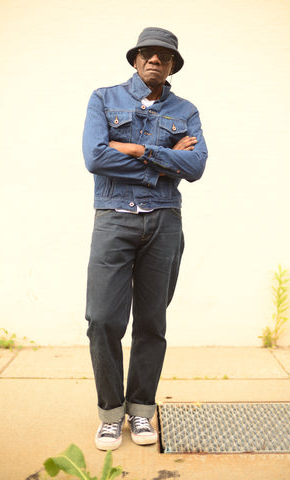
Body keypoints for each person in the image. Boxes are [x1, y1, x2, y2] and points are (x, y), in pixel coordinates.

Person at [82, 27, 208, 451]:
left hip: (164, 224)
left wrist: (136, 151)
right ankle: (109, 415)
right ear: (135, 60)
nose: (155, 60)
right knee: (102, 320)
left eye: (164, 56)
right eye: (148, 54)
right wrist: (165, 160)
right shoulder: (103, 98)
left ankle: (140, 410)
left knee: (152, 322)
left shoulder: (186, 110)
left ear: (172, 65)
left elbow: (196, 166)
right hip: (114, 221)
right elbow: (95, 157)